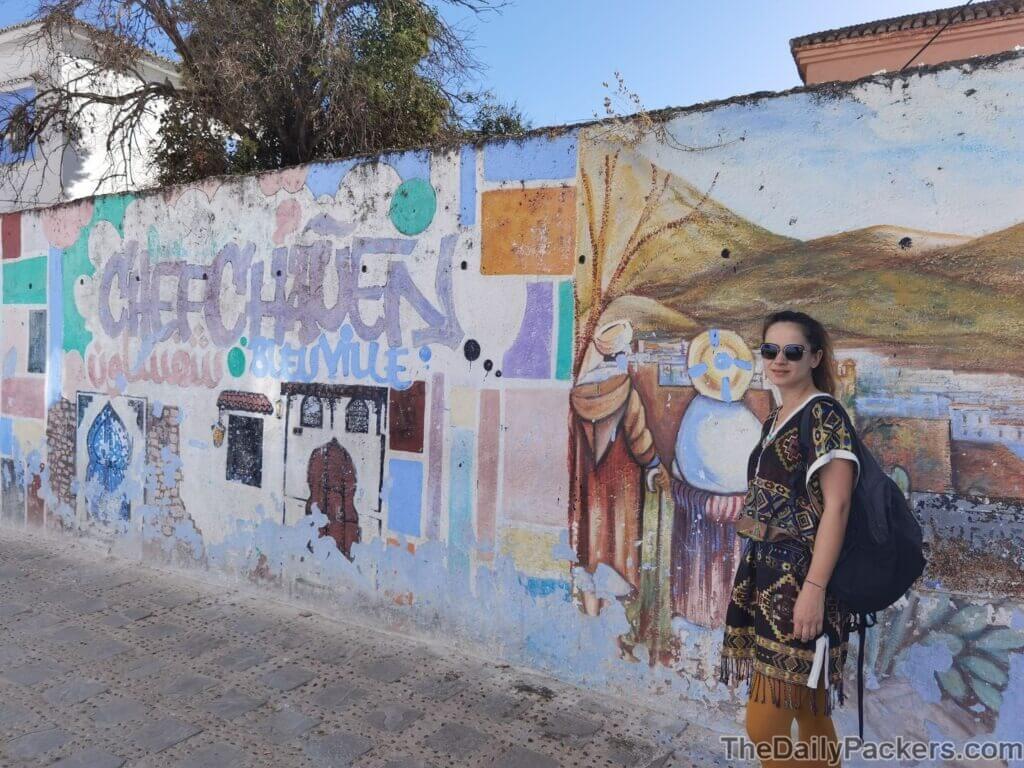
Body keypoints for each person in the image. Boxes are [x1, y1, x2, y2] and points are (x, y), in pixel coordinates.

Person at [719, 311, 860, 768]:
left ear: (814, 357)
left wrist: (814, 590)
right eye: (770, 350)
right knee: (809, 712)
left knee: (764, 725)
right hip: (767, 571)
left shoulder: (824, 414)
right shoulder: (778, 416)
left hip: (801, 580)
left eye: (793, 351)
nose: (779, 360)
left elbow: (838, 506)